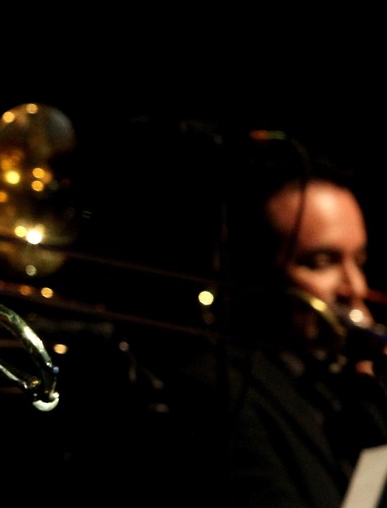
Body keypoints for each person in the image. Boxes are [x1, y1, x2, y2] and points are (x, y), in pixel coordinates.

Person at [157, 147, 387, 507]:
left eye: (358, 260)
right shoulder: (218, 393)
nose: (355, 287)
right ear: (257, 273)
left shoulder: (346, 388)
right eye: (321, 262)